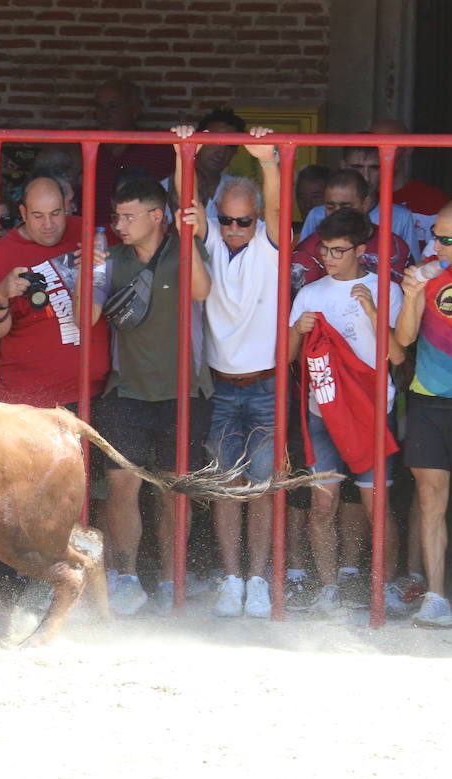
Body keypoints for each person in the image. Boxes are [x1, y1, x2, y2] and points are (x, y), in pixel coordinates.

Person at [173, 125, 284, 618]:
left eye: (245, 220)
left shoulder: (270, 242)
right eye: (228, 219)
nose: (236, 228)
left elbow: (278, 209)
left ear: (256, 219)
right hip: (218, 385)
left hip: (264, 385)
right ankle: (231, 578)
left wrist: (268, 161)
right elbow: (187, 202)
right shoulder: (212, 236)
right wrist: (184, 153)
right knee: (224, 487)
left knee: (260, 488)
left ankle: (258, 580)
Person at [95, 177, 213, 614]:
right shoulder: (113, 260)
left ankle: (170, 580)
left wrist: (188, 240)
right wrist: (89, 270)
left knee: (173, 494)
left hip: (185, 393)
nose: (119, 225)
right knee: (120, 489)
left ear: (156, 216)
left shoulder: (186, 248)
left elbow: (201, 291)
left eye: (129, 217)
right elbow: (87, 315)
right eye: (117, 216)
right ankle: (124, 578)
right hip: (126, 392)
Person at [288, 208, 405, 616]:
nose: (328, 257)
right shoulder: (310, 293)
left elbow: (397, 354)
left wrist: (373, 310)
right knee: (323, 506)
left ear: (360, 249)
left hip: (372, 413)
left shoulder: (385, 288)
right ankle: (329, 586)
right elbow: (286, 358)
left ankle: (385, 587)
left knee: (378, 507)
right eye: (324, 248)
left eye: (338, 250)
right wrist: (296, 331)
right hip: (322, 414)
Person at [0, 174, 111, 409]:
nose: (48, 224)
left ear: (67, 206)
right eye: (38, 216)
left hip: (92, 394)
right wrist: (1, 295)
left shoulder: (88, 232)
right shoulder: (4, 252)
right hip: (31, 401)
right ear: (23, 213)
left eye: (56, 213)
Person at [395, 200, 452, 627]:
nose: (436, 244)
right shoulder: (427, 271)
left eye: (446, 239)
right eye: (436, 234)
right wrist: (412, 294)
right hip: (430, 398)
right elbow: (403, 338)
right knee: (430, 500)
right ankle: (436, 596)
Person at [292, 169, 412, 295]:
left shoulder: (396, 246)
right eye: (330, 206)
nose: (337, 212)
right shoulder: (307, 250)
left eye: (345, 206)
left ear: (366, 203)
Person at [298, 144, 421, 256]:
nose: (365, 176)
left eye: (374, 168)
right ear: (343, 166)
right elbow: (303, 261)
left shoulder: (401, 217)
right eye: (357, 167)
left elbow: (410, 268)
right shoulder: (317, 214)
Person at [91, 79, 175, 228]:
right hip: (94, 240)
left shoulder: (160, 151)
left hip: (144, 241)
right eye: (99, 107)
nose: (105, 114)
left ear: (135, 110)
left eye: (113, 106)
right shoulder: (85, 150)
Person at [372, 118, 450, 248]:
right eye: (372, 146)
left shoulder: (434, 201)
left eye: (389, 145)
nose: (379, 153)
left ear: (407, 151)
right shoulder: (358, 199)